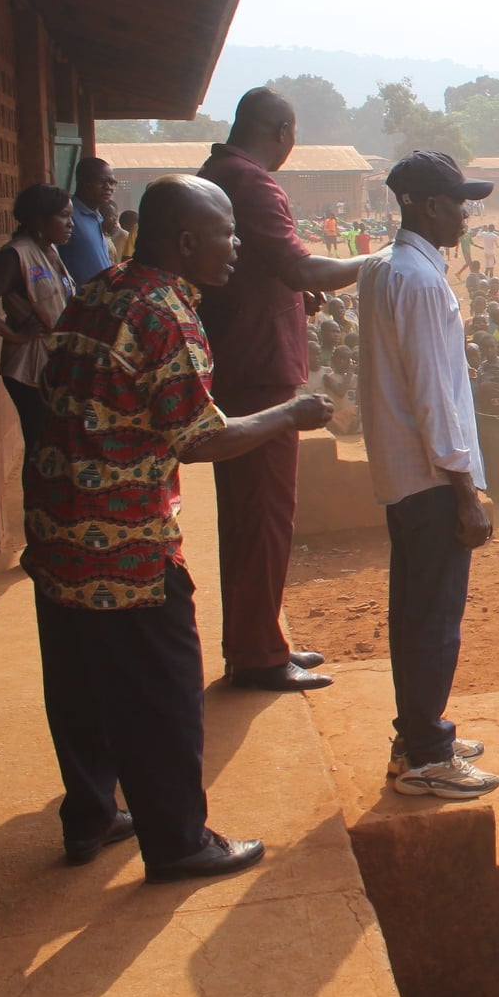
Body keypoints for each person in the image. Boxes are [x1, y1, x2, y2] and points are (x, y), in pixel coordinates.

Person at [22, 175, 335, 882]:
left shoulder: (98, 290)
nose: (237, 247)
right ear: (188, 242)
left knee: (78, 684)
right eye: (228, 234)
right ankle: (179, 840)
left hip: (55, 530)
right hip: (125, 542)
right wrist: (290, 413)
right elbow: (199, 438)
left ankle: (92, 814)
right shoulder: (166, 315)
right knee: (163, 692)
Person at [198, 88, 367, 692]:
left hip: (238, 362)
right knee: (264, 515)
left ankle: (259, 638)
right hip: (259, 370)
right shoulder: (254, 183)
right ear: (284, 131)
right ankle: (257, 655)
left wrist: (295, 290)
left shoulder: (218, 173)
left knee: (252, 513)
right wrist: (380, 262)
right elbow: (298, 266)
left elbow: (267, 272)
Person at [359, 151, 499, 799]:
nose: (465, 216)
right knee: (435, 620)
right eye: (456, 203)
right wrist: (464, 490)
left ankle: (416, 734)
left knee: (415, 614)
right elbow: (432, 395)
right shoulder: (418, 281)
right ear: (422, 204)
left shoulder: (386, 269)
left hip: (405, 475)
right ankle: (427, 756)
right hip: (430, 479)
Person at [0, 182, 76, 449]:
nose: (70, 224)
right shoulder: (16, 255)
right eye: (63, 216)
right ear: (39, 220)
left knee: (53, 444)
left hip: (50, 362)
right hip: (28, 368)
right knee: (41, 446)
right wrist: (14, 335)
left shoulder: (49, 251)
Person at [53, 156, 116, 286]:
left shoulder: (96, 216)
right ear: (84, 182)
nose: (108, 187)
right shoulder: (68, 216)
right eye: (102, 182)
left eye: (112, 182)